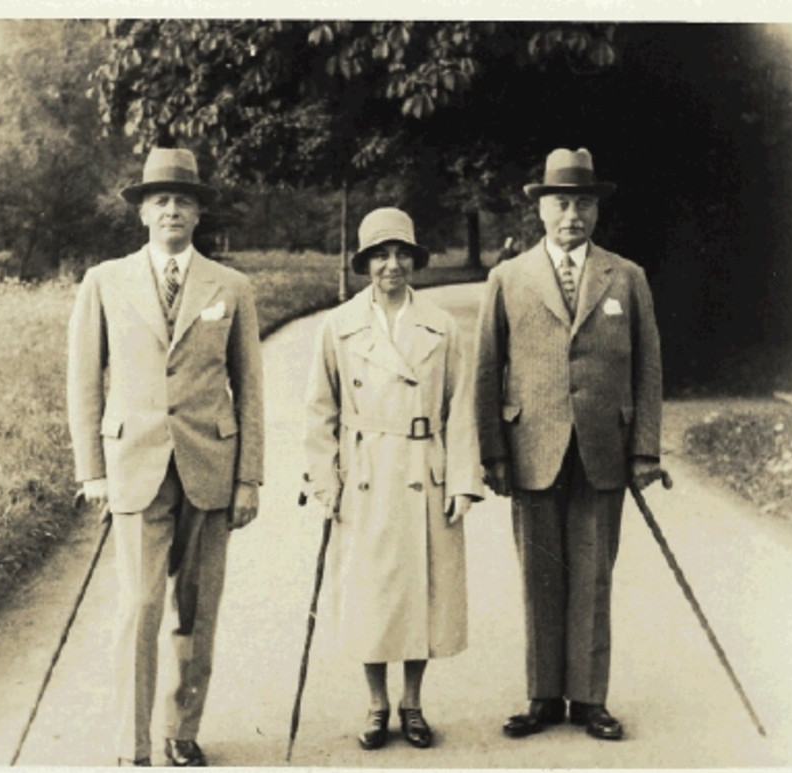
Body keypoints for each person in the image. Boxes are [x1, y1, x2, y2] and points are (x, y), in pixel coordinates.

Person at [67, 147, 264, 767]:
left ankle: (181, 731)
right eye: (161, 201)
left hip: (211, 463)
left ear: (199, 214)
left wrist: (251, 476)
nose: (172, 210)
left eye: (183, 201)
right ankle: (133, 743)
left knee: (196, 610)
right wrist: (91, 471)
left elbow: (251, 385)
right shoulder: (105, 280)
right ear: (142, 213)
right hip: (135, 465)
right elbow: (83, 379)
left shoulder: (231, 286)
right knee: (140, 605)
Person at [473, 148, 669, 743]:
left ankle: (589, 698)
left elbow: (648, 370)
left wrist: (645, 451)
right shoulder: (507, 278)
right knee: (540, 575)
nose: (572, 214)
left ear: (596, 209)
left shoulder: (625, 276)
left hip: (603, 448)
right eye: (561, 202)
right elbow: (487, 369)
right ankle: (542, 697)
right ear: (540, 209)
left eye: (583, 202)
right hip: (531, 445)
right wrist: (493, 453)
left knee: (594, 576)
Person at [303, 207, 483, 751]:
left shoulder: (442, 327)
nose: (392, 265)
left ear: (415, 260)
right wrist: (323, 479)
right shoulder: (339, 326)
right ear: (365, 263)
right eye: (380, 255)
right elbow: (319, 411)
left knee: (423, 591)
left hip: (424, 469)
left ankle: (413, 703)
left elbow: (462, 406)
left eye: (402, 253)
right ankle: (377, 705)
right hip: (364, 474)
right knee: (371, 593)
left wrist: (461, 482)